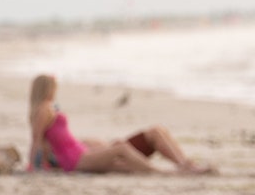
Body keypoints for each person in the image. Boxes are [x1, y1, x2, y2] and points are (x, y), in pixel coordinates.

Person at [27, 74, 216, 174]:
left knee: (136, 146)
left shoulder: (47, 108)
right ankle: (166, 172)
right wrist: (33, 166)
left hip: (81, 153)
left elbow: (49, 142)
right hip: (76, 160)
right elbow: (37, 141)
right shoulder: (44, 109)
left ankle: (184, 165)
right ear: (47, 88)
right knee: (122, 149)